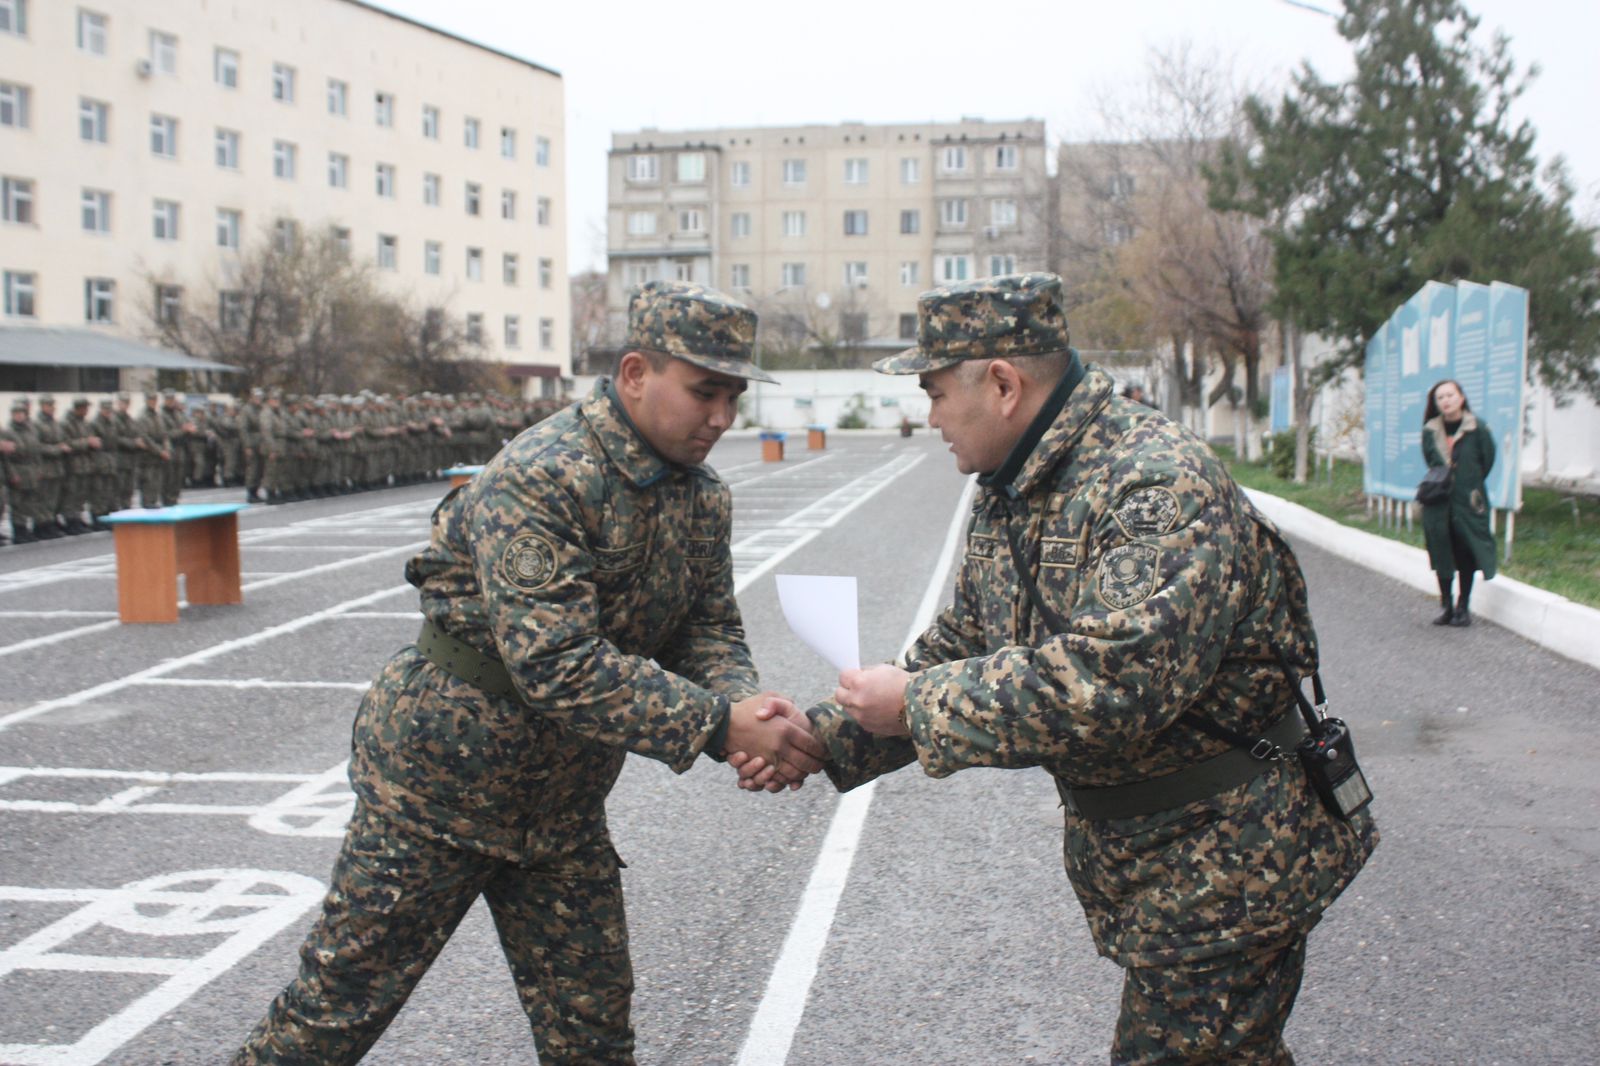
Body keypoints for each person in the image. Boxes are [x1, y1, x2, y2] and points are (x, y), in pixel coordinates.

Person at [737, 273, 1377, 1064]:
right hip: (1155, 860)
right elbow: (964, 641)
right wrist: (820, 738)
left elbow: (1117, 683)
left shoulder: (1150, 480)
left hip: (1231, 855)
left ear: (1003, 385)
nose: (927, 415)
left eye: (935, 392)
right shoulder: (1012, 490)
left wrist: (917, 704)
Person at [233, 280, 825, 1066]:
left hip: (562, 807)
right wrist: (719, 729)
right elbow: (557, 662)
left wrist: (744, 701)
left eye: (733, 396)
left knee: (594, 1036)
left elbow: (706, 626)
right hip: (438, 791)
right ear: (635, 372)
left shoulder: (701, 497)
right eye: (704, 392)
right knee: (331, 1018)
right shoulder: (546, 473)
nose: (721, 418)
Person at [1420, 379, 1496, 626]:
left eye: (1450, 395)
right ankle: (1447, 606)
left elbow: (1486, 460)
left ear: (1461, 398)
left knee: (1466, 554)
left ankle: (1463, 607)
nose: (1446, 400)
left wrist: (1467, 484)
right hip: (1439, 503)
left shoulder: (1478, 429)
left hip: (1468, 502)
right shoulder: (1430, 430)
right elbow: (1431, 461)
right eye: (1440, 397)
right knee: (1442, 553)